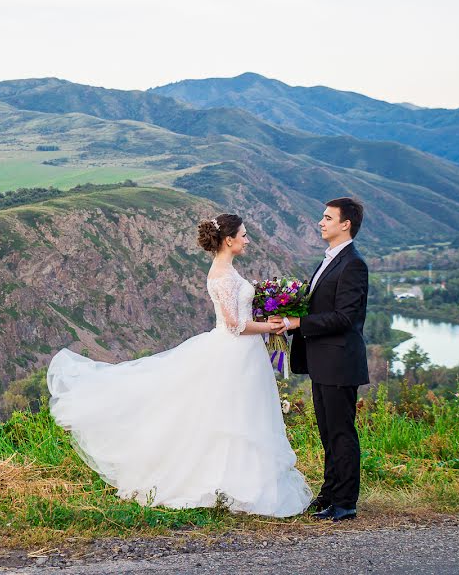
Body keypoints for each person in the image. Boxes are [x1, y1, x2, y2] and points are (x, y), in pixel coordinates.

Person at [47, 214, 312, 517]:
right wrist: (271, 327)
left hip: (244, 354)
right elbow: (234, 324)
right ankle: (228, 486)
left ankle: (242, 484)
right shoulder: (222, 275)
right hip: (233, 353)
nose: (247, 240)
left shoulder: (229, 270)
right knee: (234, 418)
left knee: (243, 416)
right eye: (244, 235)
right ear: (228, 240)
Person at [274, 197, 369, 522]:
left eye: (328, 218)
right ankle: (330, 493)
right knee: (328, 432)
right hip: (322, 361)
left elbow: (345, 317)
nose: (320, 222)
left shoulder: (353, 264)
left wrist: (299, 323)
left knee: (341, 432)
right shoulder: (330, 260)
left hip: (340, 361)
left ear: (346, 224)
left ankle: (345, 502)